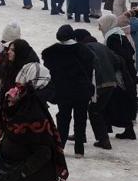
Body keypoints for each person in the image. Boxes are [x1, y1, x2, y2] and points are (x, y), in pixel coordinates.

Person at [0, 63, 69, 181]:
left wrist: (21, 173)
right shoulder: (27, 106)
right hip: (20, 176)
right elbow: (42, 150)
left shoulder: (28, 107)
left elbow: (42, 151)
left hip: (24, 177)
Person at [41, 25, 95, 157]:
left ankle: (60, 146)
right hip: (81, 90)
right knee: (80, 118)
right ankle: (79, 149)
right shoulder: (84, 50)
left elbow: (49, 68)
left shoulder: (52, 52)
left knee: (63, 118)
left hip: (63, 91)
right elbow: (91, 69)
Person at [72, 29, 119, 150]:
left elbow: (88, 66)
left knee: (92, 110)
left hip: (98, 84)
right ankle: (82, 135)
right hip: (111, 82)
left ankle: (103, 140)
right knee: (96, 109)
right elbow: (117, 61)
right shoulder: (102, 46)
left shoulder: (86, 49)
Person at [98, 13, 137, 139]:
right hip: (127, 72)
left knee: (115, 101)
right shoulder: (119, 34)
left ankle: (107, 129)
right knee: (120, 101)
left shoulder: (113, 37)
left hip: (120, 75)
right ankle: (124, 129)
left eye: (100, 25)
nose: (99, 28)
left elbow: (117, 57)